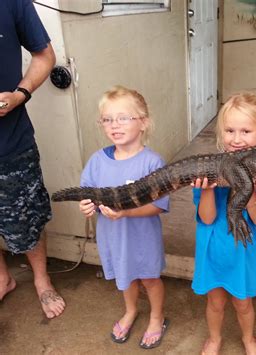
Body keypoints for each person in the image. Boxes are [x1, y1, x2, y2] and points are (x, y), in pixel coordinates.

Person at [78, 86, 170, 349]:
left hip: (143, 237)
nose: (114, 125)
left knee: (150, 279)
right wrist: (87, 207)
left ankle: (156, 316)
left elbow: (159, 205)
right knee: (124, 276)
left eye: (123, 118)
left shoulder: (152, 162)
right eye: (107, 119)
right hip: (113, 236)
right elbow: (88, 194)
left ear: (143, 122)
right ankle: (130, 311)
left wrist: (126, 212)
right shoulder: (98, 160)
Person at [192, 93, 256, 355]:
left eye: (245, 131)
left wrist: (250, 190)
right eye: (229, 130)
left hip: (243, 252)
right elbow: (206, 218)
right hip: (213, 250)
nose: (237, 138)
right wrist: (207, 188)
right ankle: (215, 338)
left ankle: (248, 338)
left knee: (243, 303)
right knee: (215, 303)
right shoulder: (208, 167)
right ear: (220, 132)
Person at [0, 0, 66, 318]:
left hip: (11, 144)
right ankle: (2, 278)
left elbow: (44, 55)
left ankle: (42, 280)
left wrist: (20, 94)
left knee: (28, 218)